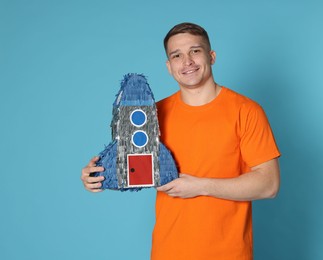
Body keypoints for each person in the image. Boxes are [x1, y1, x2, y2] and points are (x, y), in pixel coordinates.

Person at [81, 22, 281, 260]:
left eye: (195, 51)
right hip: (168, 252)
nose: (187, 61)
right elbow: (131, 166)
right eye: (177, 55)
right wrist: (95, 175)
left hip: (229, 253)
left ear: (211, 56)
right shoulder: (150, 116)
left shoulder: (246, 111)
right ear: (169, 66)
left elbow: (269, 185)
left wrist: (200, 186)